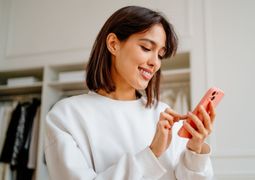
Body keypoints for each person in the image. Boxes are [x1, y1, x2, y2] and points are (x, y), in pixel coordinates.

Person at [44, 6, 216, 180]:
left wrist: (195, 150)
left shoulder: (164, 114)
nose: (155, 63)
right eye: (147, 48)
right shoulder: (65, 115)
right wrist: (152, 154)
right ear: (113, 44)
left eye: (160, 55)